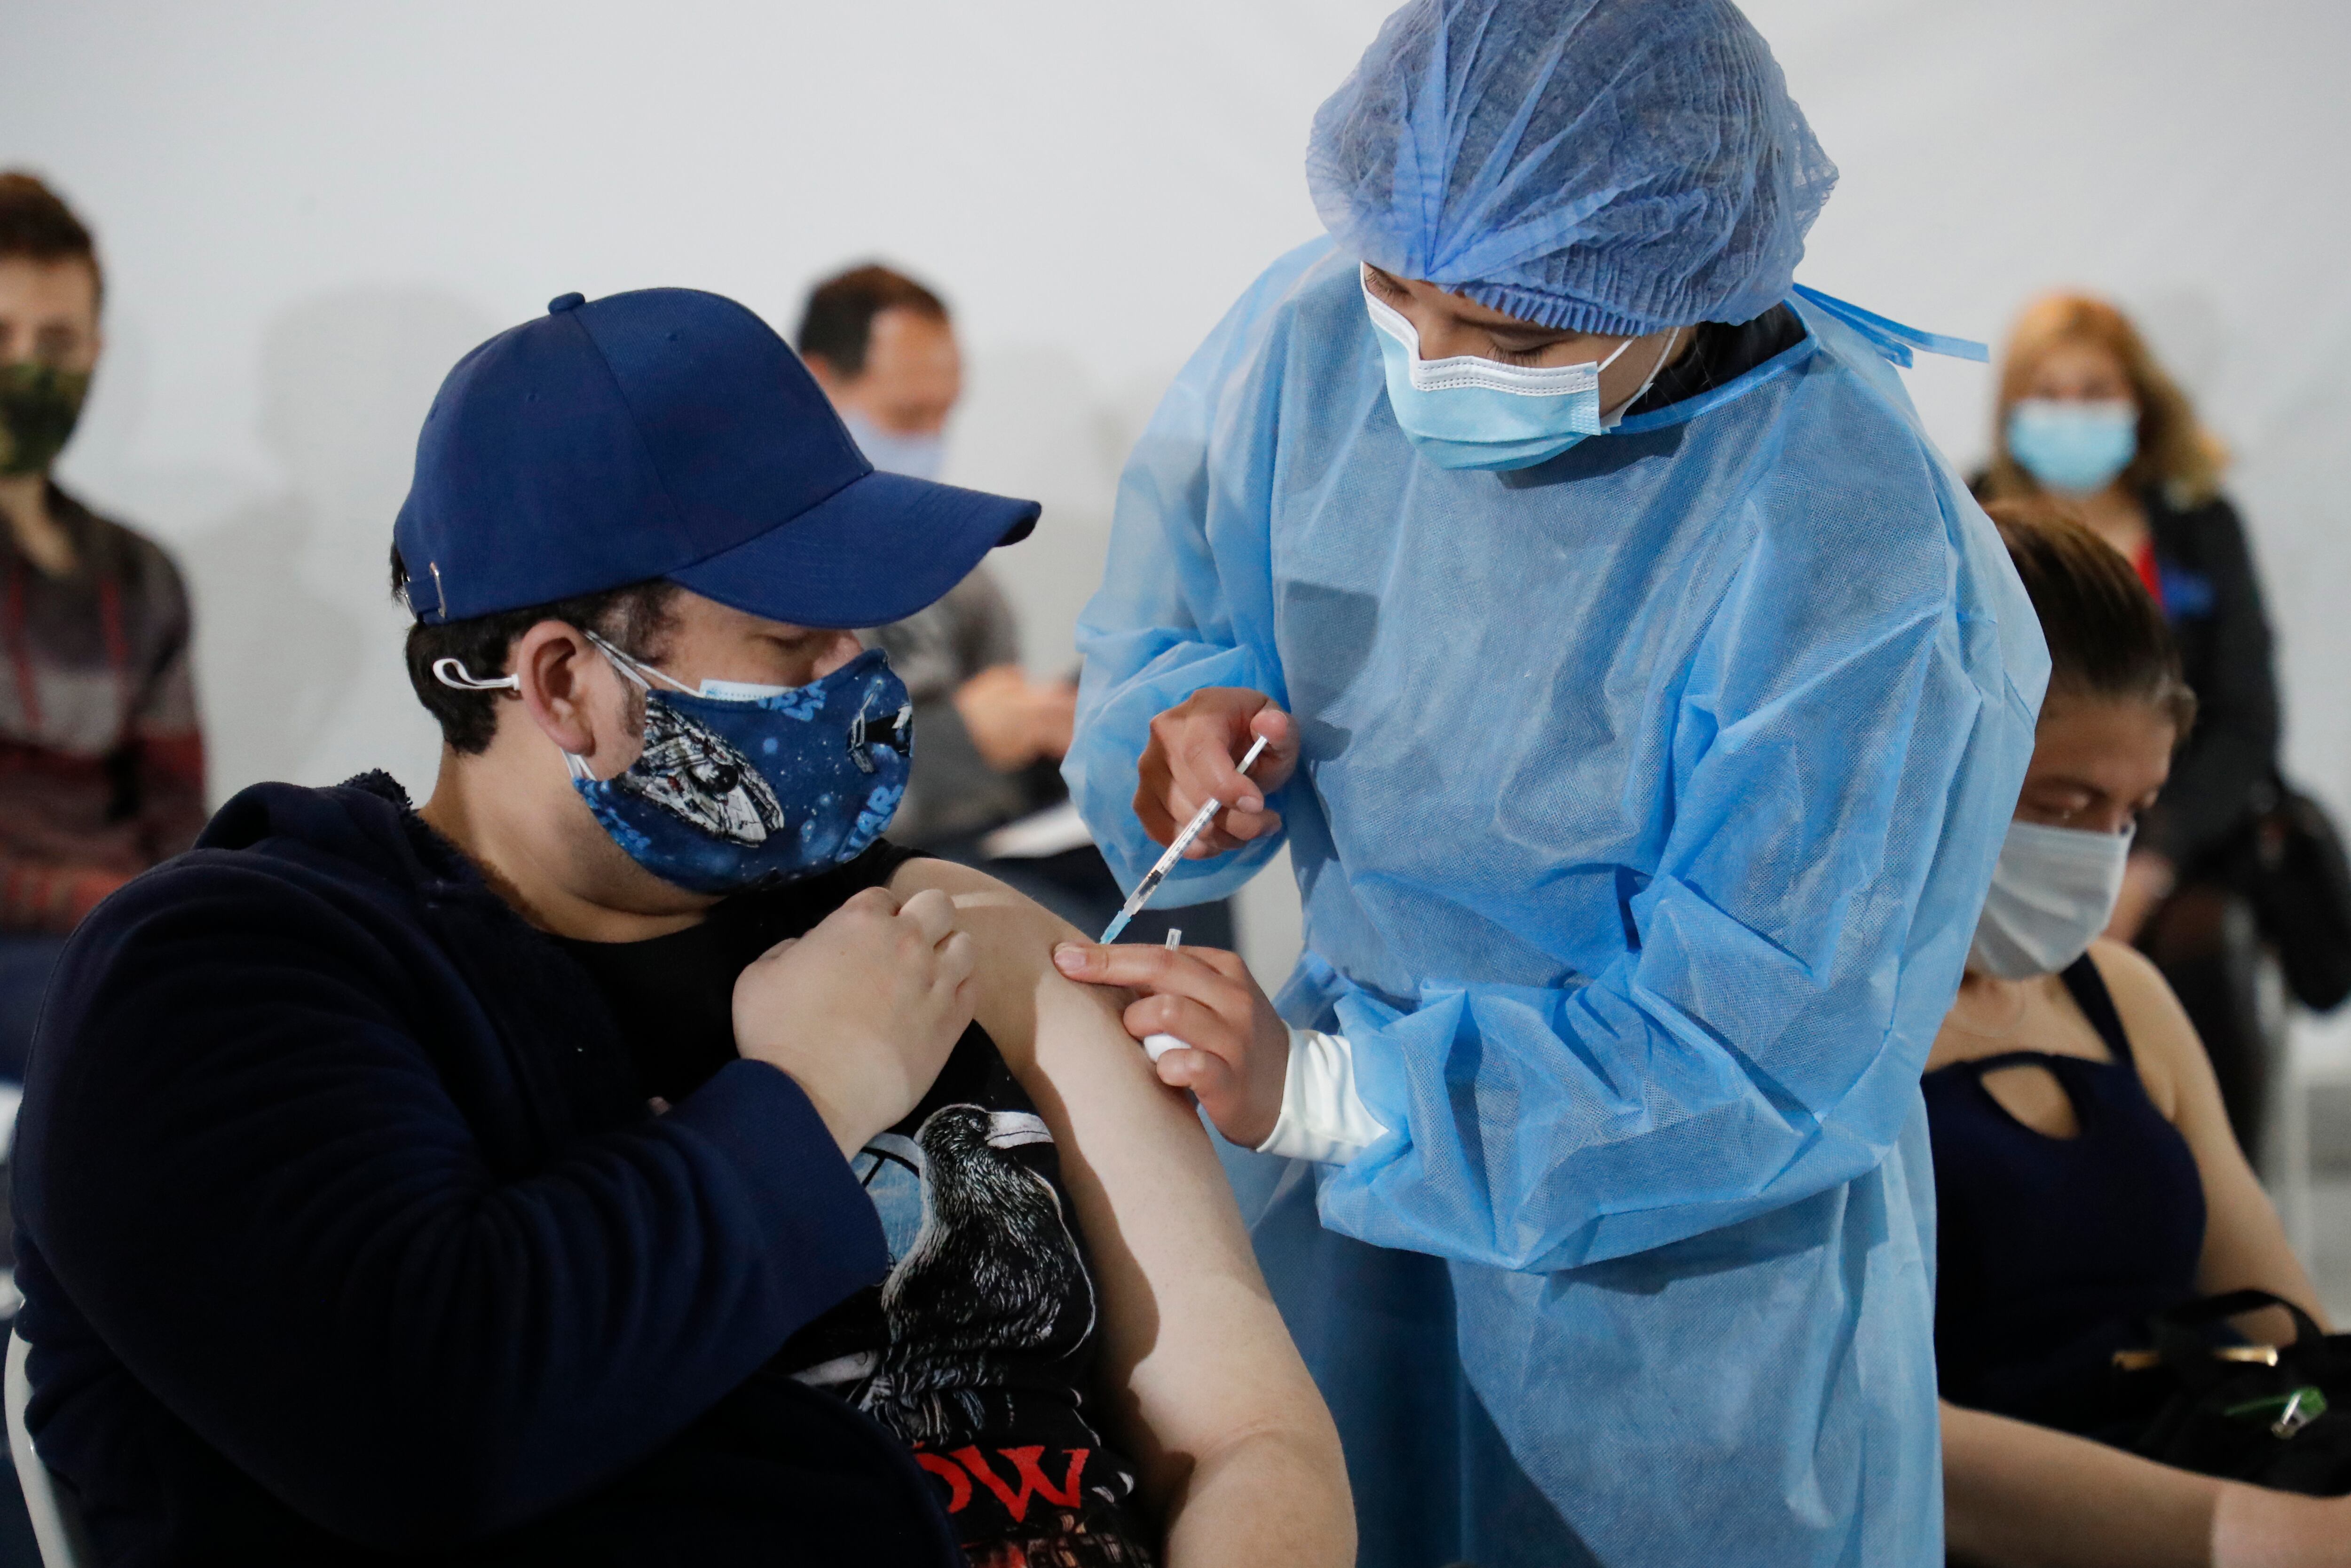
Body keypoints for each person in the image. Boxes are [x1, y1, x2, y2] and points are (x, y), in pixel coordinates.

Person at [10, 287, 1352, 1566]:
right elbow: (425, 1428)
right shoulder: (223, 979)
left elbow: (1249, 1438)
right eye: (792, 644)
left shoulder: (943, 929)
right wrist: (806, 1096)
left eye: (862, 630)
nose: (867, 687)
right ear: (562, 683)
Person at [1050, 1, 2050, 1564]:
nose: (1430, 367)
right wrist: (1181, 733)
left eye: (1516, 339)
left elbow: (1766, 1046)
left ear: (1688, 278)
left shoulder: (1849, 537)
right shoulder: (1314, 345)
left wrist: (1331, 1093)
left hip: (1688, 1317)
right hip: (1342, 1232)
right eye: (1400, 292)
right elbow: (1164, 628)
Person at [1933, 498, 2351, 1568]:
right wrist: (2260, 1536)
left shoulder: (2121, 998)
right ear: (1934, 760)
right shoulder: (1833, 1036)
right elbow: (1871, 1434)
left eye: (2130, 816)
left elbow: (2287, 1346)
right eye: (2062, 807)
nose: (2096, 858)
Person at [799, 265, 1231, 947]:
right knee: (1089, 939)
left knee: (1180, 860)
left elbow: (1002, 752)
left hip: (994, 836)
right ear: (818, 382)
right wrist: (958, 739)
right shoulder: (763, 582)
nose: (933, 439)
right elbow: (786, 782)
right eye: (909, 415)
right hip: (875, 873)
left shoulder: (961, 579)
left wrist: (1071, 724)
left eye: (948, 412)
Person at [1975, 293, 2285, 1158]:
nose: (2072, 412)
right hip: (2001, 829)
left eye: (2095, 390)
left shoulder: (2197, 528)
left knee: (2200, 944)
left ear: (2138, 401)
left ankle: (2210, 1173)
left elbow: (2246, 723)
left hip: (2177, 838)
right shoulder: (1969, 517)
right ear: (2013, 406)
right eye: (2051, 391)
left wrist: (2149, 855)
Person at [0, 173, 204, 1085]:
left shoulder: (141, 575)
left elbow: (176, 808)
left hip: (118, 939)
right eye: (0, 337)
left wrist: (177, 908)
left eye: (56, 341)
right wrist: (109, 906)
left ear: (94, 352)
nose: (27, 367)